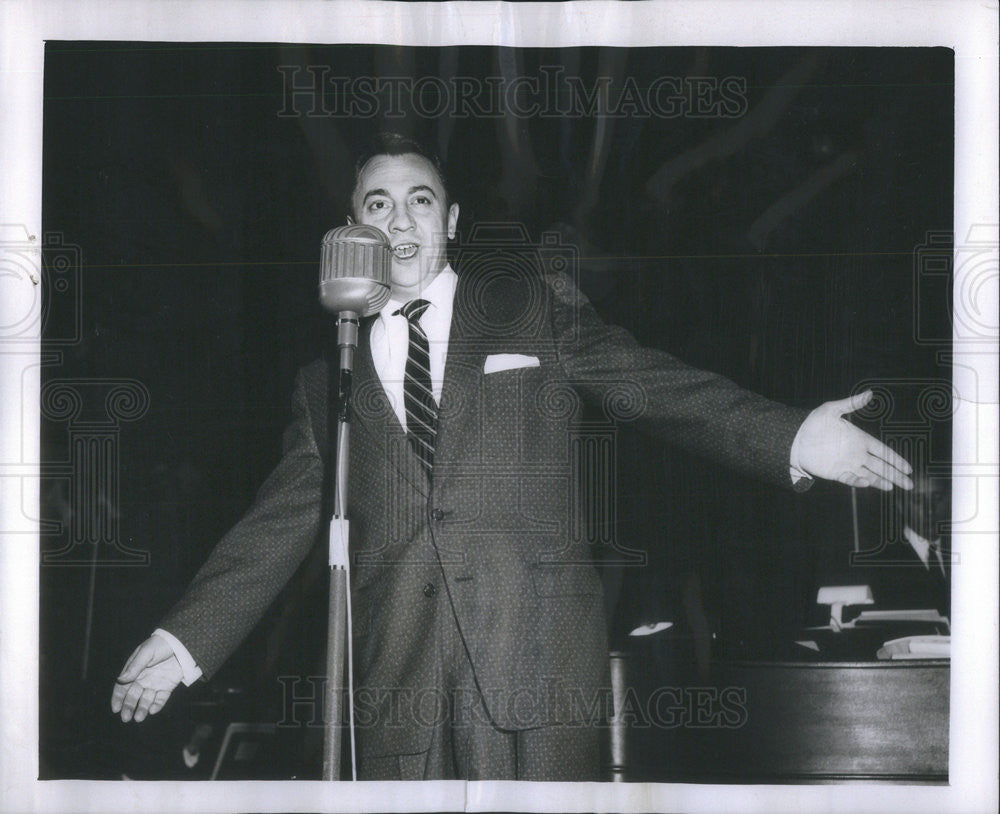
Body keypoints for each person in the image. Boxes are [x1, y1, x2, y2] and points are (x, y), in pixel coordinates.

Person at [111, 132, 913, 781]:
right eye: (377, 203)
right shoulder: (329, 376)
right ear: (350, 226)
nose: (399, 218)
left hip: (536, 672)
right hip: (397, 694)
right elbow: (276, 526)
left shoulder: (531, 311)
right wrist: (183, 643)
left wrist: (791, 436)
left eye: (419, 200)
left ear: (452, 221)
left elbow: (656, 388)